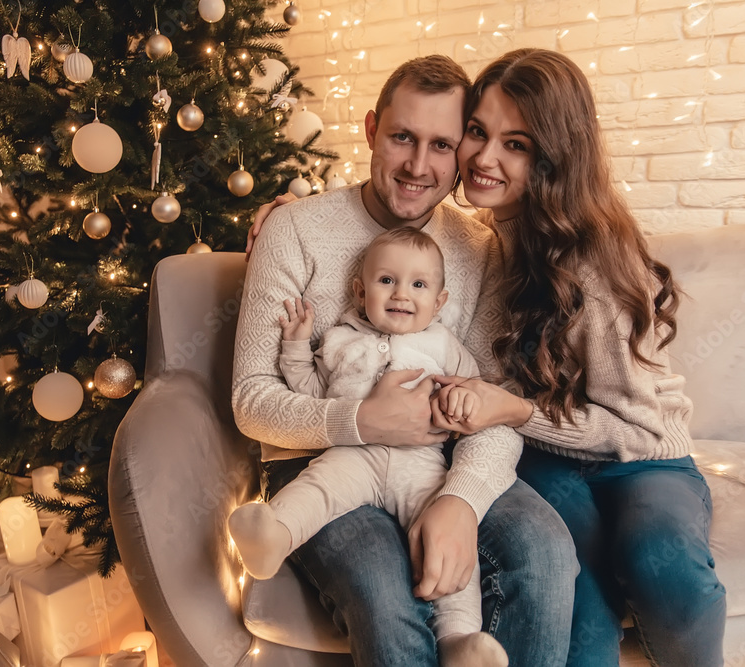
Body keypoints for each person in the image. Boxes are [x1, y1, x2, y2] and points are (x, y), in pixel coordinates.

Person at [233, 54, 577, 666]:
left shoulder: (478, 248)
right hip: (322, 463)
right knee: (385, 594)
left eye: (441, 145)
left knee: (545, 547)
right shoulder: (294, 230)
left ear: (462, 153)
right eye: (402, 138)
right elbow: (253, 399)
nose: (419, 167)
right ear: (371, 130)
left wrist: (460, 500)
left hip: (436, 463)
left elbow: (494, 398)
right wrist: (363, 422)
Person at [430, 48, 727, 666]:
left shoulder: (595, 259)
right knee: (579, 606)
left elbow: (638, 427)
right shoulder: (476, 240)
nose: (484, 159)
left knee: (661, 563)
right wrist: (280, 211)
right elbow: (385, 218)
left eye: (517, 144)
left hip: (639, 454)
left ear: (554, 157)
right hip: (543, 458)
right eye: (478, 133)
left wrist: (512, 410)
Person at [230, 227, 512, 666]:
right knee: (318, 489)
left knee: (446, 541)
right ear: (361, 292)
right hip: (351, 453)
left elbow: (473, 390)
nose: (401, 293)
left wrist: (463, 399)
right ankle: (273, 538)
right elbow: (311, 392)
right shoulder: (340, 340)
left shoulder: (442, 344)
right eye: (387, 281)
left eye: (418, 285)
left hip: (419, 464)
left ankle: (459, 639)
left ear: (439, 302)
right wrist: (296, 346)